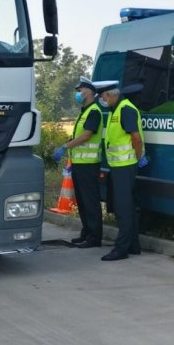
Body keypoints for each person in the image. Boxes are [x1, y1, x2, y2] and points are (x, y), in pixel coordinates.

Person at [53, 76, 105, 248]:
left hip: (89, 164)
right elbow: (78, 135)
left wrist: (65, 146)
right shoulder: (84, 112)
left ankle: (94, 238)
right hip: (79, 163)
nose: (78, 93)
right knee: (82, 201)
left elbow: (86, 135)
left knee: (90, 201)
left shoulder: (94, 111)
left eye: (81, 90)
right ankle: (86, 232)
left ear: (89, 91)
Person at [98, 81, 146, 261]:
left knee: (123, 208)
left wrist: (139, 157)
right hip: (119, 166)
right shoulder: (115, 110)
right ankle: (133, 245)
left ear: (111, 94)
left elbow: (136, 138)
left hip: (125, 167)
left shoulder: (125, 109)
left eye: (103, 96)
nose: (102, 99)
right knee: (128, 207)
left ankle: (121, 249)